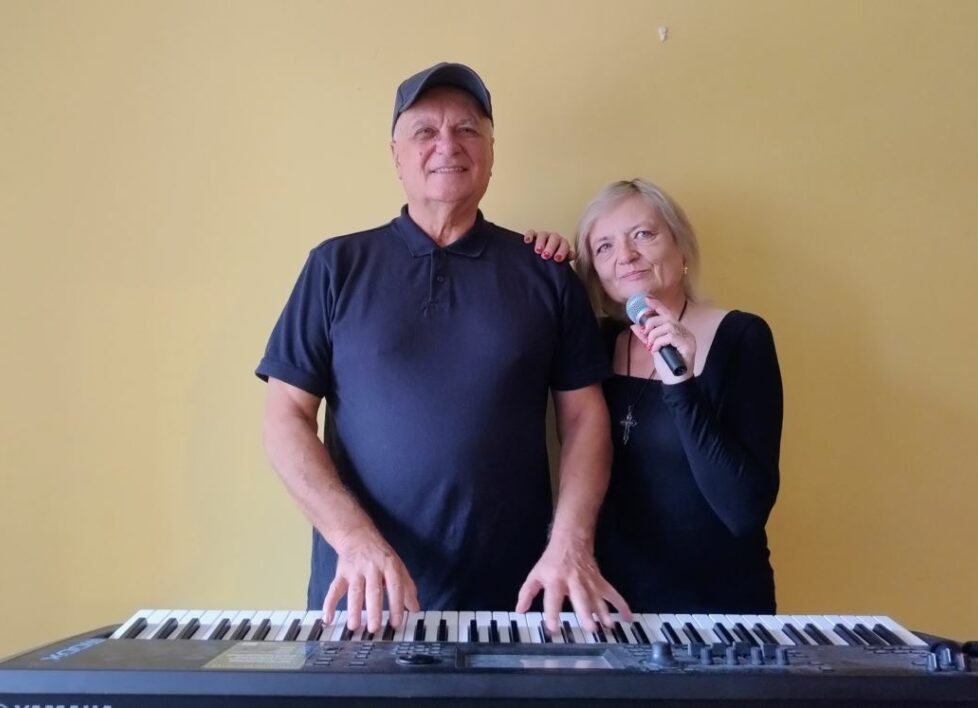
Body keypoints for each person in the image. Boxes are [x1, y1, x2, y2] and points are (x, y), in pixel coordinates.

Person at [255, 62, 629, 636]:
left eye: (467, 130)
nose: (447, 145)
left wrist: (572, 546)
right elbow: (285, 416)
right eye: (425, 131)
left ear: (491, 152)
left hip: (520, 599)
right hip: (363, 601)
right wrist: (353, 540)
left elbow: (584, 419)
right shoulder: (335, 266)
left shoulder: (546, 273)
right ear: (396, 156)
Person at [528, 179, 782, 613]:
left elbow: (743, 511)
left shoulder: (741, 337)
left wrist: (680, 383)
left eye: (643, 234)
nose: (625, 255)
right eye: (604, 247)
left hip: (716, 609)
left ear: (682, 248)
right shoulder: (598, 343)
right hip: (607, 603)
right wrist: (539, 255)